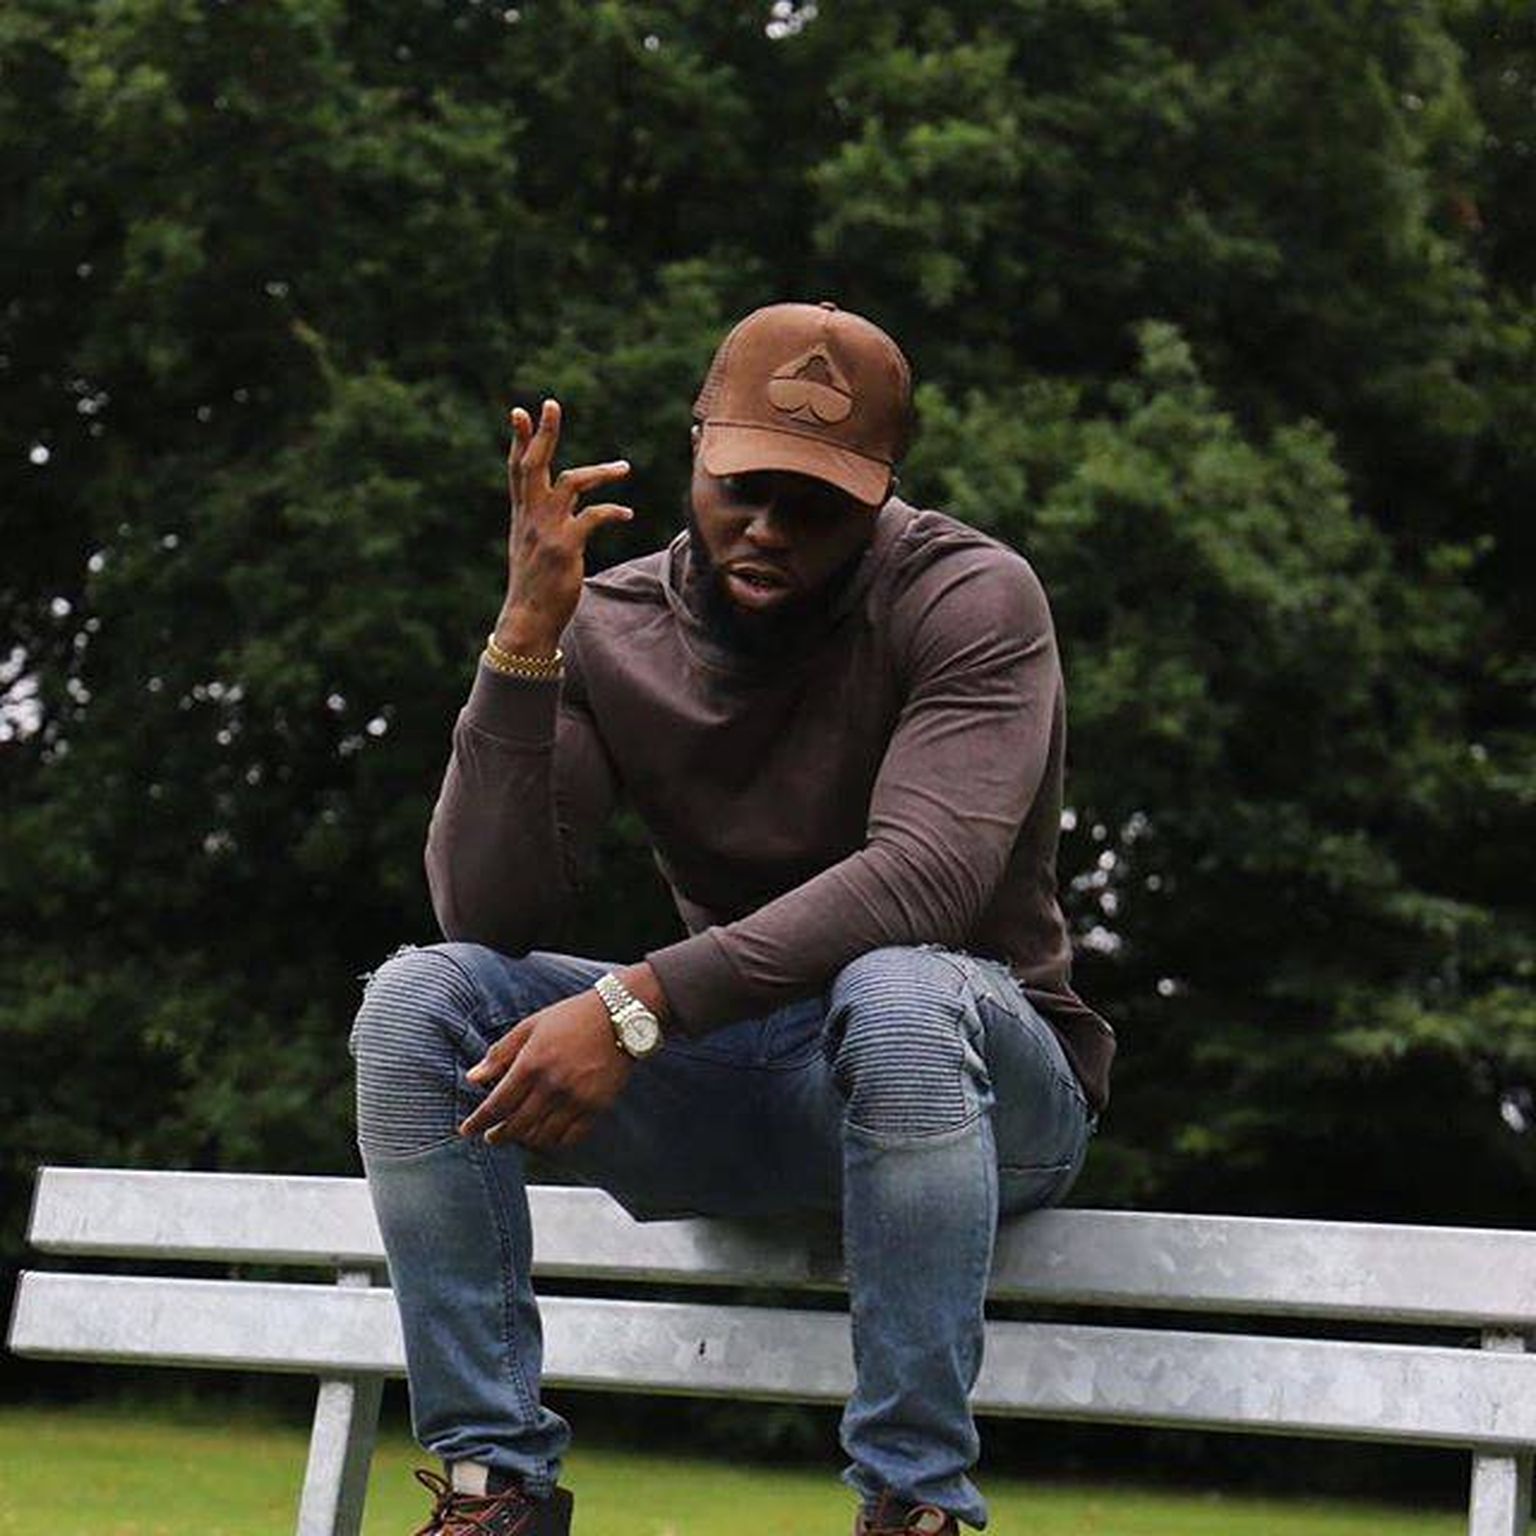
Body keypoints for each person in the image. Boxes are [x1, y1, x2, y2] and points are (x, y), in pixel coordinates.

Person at [350, 301, 1115, 1536]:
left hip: (971, 1089)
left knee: (899, 989)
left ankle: (912, 1504)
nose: (770, 527)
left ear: (881, 496)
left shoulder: (970, 597)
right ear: (695, 453)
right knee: (419, 998)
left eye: (816, 503)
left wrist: (636, 1005)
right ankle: (495, 1490)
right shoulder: (612, 625)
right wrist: (526, 639)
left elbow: (924, 881)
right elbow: (488, 911)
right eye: (745, 488)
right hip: (738, 1079)